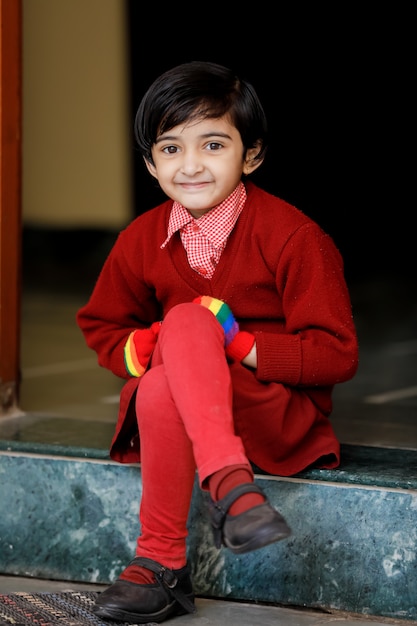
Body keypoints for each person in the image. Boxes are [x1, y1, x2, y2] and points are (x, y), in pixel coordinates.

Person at [76, 60, 359, 624]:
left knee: (186, 327)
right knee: (163, 368)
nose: (191, 165)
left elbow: (337, 353)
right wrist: (170, 339)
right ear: (151, 163)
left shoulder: (296, 237)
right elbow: (103, 326)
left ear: (250, 154)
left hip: (273, 412)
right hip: (189, 408)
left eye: (212, 144)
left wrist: (236, 343)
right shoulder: (141, 239)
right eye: (171, 148)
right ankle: (229, 496)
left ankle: (163, 558)